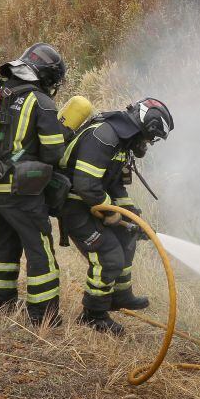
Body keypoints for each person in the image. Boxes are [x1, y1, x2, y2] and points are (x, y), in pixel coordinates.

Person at [0, 44, 68, 326]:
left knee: (1, 245)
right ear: (46, 77)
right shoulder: (41, 103)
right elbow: (53, 153)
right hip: (19, 193)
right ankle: (43, 316)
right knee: (39, 251)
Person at [58, 98, 174, 334]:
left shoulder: (121, 143)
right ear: (147, 126)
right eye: (152, 138)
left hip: (89, 203)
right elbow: (86, 185)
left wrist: (131, 216)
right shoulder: (104, 136)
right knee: (108, 255)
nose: (149, 143)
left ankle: (120, 295)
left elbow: (116, 186)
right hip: (72, 205)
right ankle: (93, 314)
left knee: (125, 237)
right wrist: (111, 212)